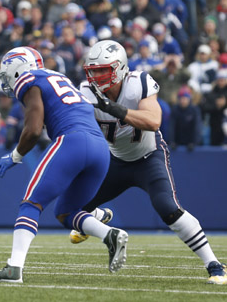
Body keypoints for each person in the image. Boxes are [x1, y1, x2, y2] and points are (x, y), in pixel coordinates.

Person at [72, 40, 227, 284]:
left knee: (168, 208)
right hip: (114, 160)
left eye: (103, 70)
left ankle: (215, 264)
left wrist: (114, 109)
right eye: (93, 71)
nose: (97, 77)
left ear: (120, 68)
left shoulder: (138, 83)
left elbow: (154, 120)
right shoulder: (85, 91)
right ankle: (99, 215)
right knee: (70, 207)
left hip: (148, 157)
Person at [0, 46, 128, 283]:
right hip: (100, 148)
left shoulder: (30, 80)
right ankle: (109, 234)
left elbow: (32, 130)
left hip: (72, 141)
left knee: (31, 204)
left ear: (18, 68)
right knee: (67, 212)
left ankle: (14, 269)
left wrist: (15, 156)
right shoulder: (59, 77)